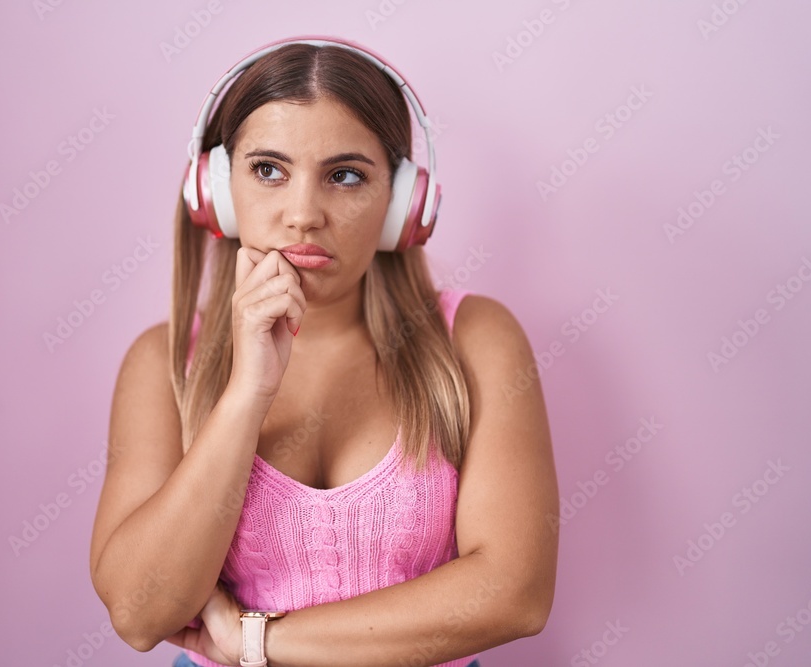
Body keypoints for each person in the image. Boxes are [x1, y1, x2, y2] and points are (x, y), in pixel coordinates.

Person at [89, 36, 559, 667]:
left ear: (402, 205)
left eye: (345, 176)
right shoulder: (163, 362)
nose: (304, 214)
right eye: (268, 170)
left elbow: (514, 594)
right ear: (218, 194)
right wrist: (248, 390)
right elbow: (140, 612)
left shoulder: (475, 341)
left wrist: (258, 641)